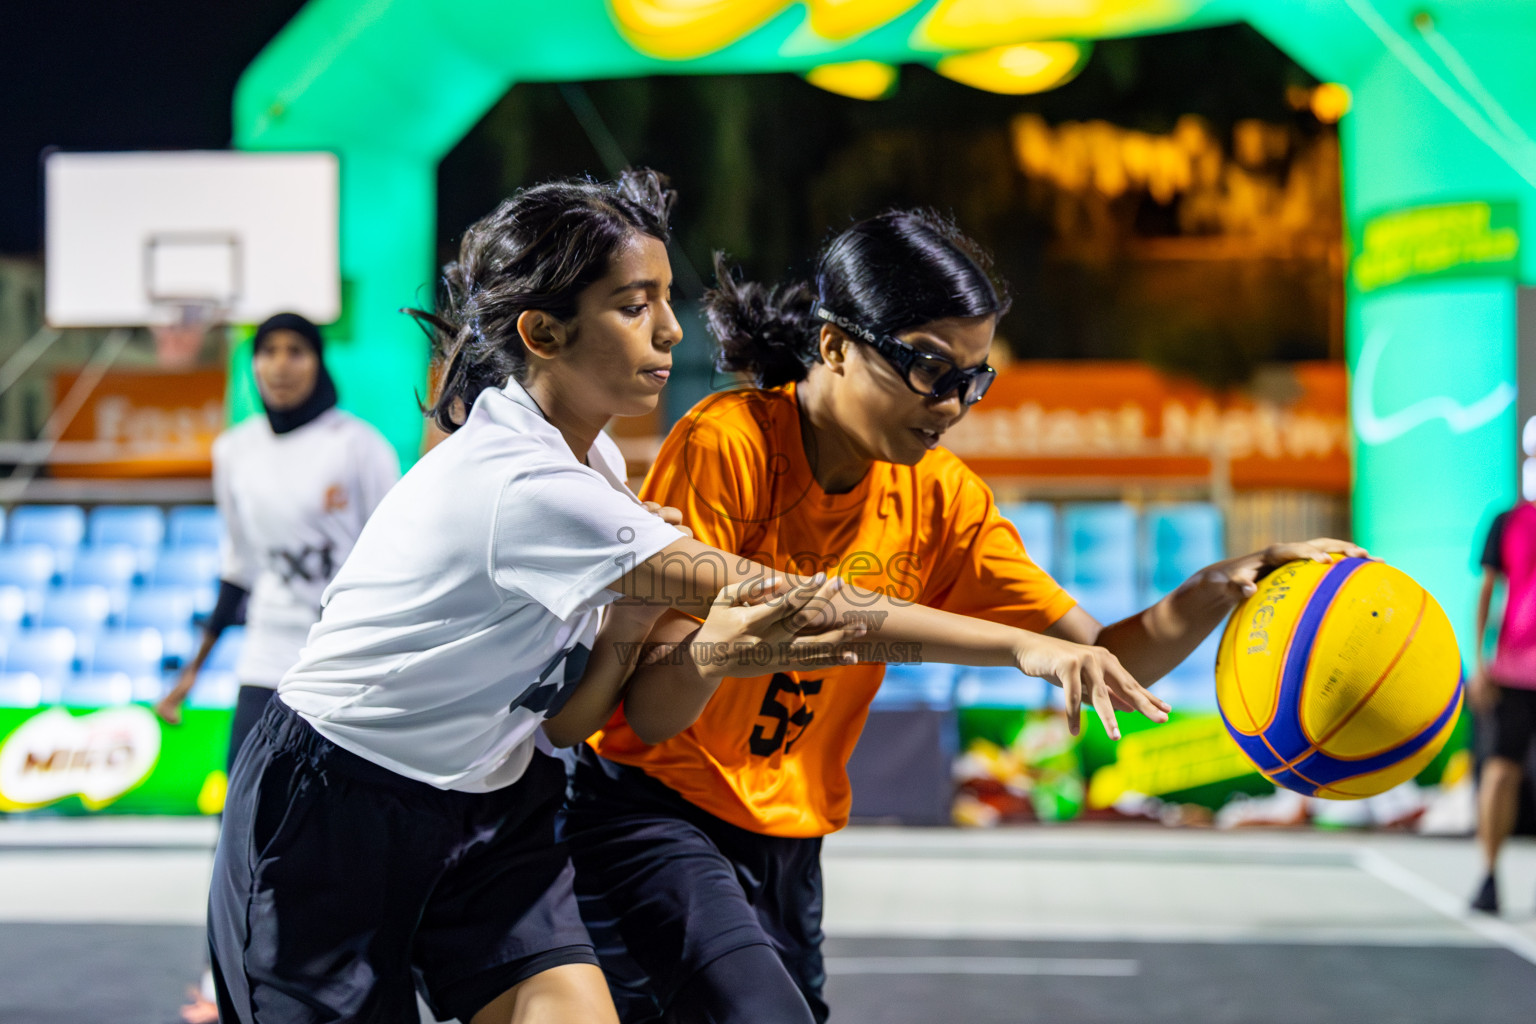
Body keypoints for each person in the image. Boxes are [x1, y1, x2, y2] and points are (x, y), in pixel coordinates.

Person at [206, 171, 1145, 1024]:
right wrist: (1021, 645)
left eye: (664, 300)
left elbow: (571, 725)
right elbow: (801, 602)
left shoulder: (599, 462)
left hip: (493, 807)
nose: (669, 330)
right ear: (544, 331)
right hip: (334, 804)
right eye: (632, 306)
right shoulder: (523, 486)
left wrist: (653, 639)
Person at [565, 209, 1363, 1024]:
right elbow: (653, 715)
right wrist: (719, 656)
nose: (952, 404)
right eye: (929, 368)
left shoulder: (941, 497)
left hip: (790, 844)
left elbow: (1101, 661)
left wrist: (1215, 588)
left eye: (971, 380)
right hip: (654, 818)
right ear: (835, 346)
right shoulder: (727, 443)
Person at [154, 311, 400, 1023]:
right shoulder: (233, 450)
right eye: (267, 351)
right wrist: (189, 676)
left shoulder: (360, 447)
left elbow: (395, 557)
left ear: (317, 361)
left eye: (296, 350)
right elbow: (238, 573)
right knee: (242, 828)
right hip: (266, 664)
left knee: (347, 833)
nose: (280, 364)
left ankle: (358, 977)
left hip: (347, 664)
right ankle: (219, 980)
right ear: (252, 365)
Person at [1468, 500, 1536, 913]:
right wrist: (1479, 662)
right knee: (1499, 773)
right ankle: (1489, 876)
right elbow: (1488, 588)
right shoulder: (1508, 520)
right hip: (1513, 671)